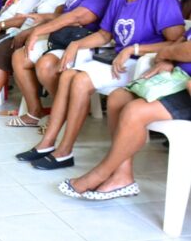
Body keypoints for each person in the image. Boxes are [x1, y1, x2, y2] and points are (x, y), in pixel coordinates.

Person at [16, 0, 185, 170]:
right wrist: (76, 44)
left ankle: (64, 150)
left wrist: (135, 49)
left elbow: (177, 42)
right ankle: (48, 143)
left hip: (145, 65)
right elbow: (105, 34)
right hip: (119, 62)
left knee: (80, 79)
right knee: (66, 75)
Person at [59, 27, 191, 199]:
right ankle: (123, 176)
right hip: (177, 78)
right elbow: (182, 41)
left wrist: (167, 53)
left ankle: (99, 174)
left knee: (134, 112)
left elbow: (186, 50)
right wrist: (169, 59)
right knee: (117, 98)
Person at [9, 0, 121, 128]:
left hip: (88, 41)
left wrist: (39, 30)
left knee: (45, 65)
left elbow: (82, 16)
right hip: (66, 36)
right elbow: (67, 12)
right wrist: (44, 19)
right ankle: (36, 111)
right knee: (20, 56)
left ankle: (65, 116)